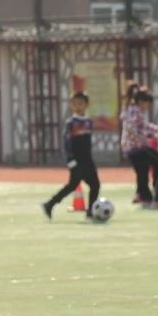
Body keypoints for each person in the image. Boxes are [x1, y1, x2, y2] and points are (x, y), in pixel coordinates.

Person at [41, 91, 101, 220]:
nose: (78, 106)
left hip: (87, 159)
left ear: (86, 105)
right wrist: (71, 159)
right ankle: (50, 204)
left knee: (95, 184)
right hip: (76, 160)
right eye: (74, 104)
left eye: (81, 103)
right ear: (71, 106)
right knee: (72, 185)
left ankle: (90, 211)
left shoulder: (88, 122)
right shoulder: (71, 123)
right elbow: (67, 142)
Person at [122, 87, 158, 206]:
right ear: (142, 102)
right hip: (135, 147)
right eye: (147, 103)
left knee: (144, 168)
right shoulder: (135, 111)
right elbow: (131, 127)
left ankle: (142, 194)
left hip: (136, 146)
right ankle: (148, 195)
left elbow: (144, 126)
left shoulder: (134, 110)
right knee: (148, 167)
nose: (147, 107)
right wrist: (140, 137)